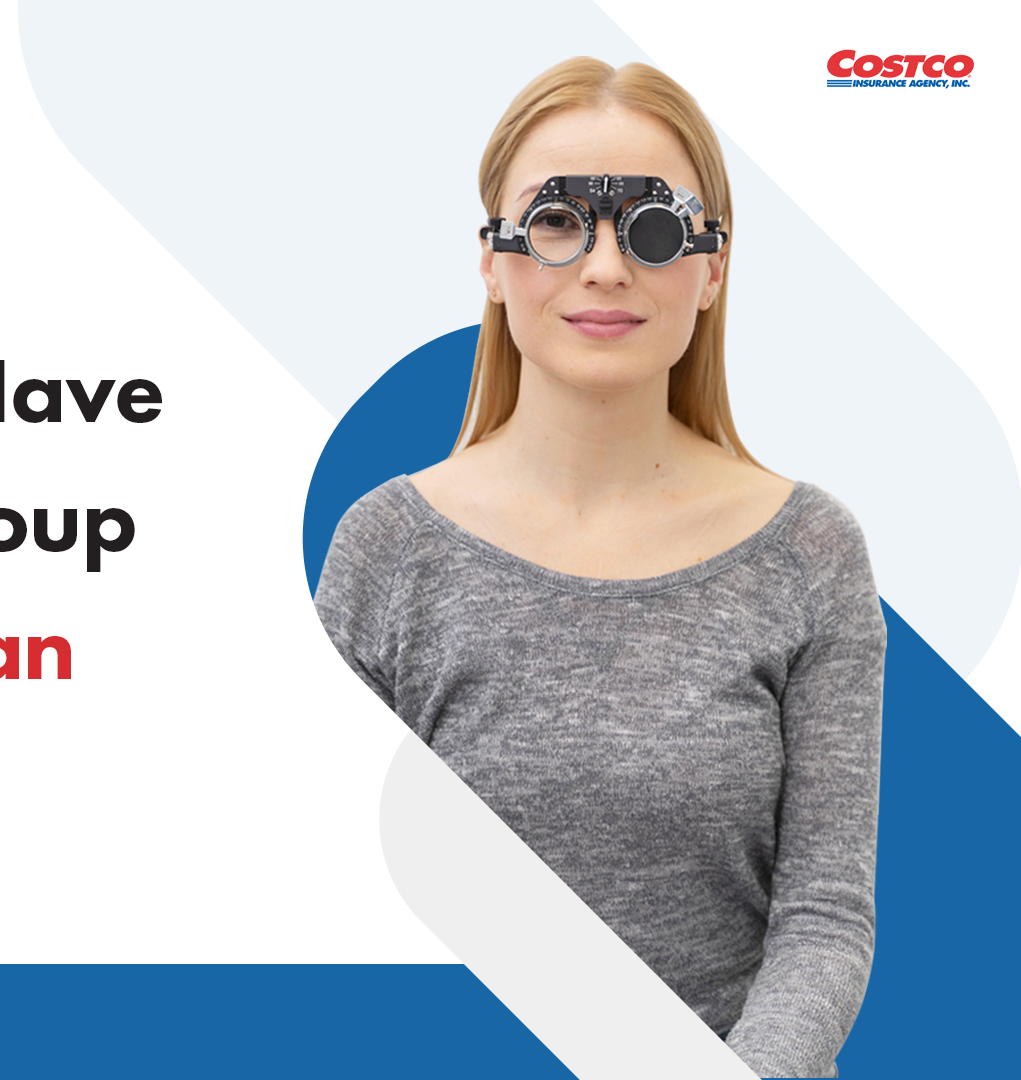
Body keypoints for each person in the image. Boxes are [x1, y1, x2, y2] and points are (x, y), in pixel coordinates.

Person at [314, 58, 885, 1078]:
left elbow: (825, 919)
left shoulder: (810, 555)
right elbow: (325, 898)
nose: (608, 267)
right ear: (491, 261)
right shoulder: (387, 552)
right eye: (555, 223)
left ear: (711, 267)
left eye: (655, 227)